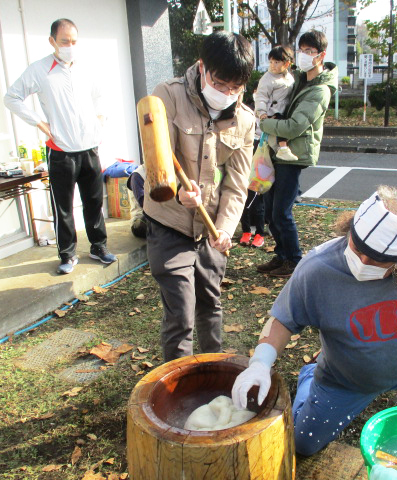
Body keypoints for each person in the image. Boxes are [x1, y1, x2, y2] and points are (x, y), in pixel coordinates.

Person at [233, 186, 397, 456]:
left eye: (379, 260)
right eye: (358, 247)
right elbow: (283, 319)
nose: (364, 261)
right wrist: (260, 363)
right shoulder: (318, 268)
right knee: (300, 445)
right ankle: (311, 377)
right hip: (345, 380)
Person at [142, 31, 255, 362]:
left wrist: (225, 228)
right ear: (203, 68)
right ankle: (180, 387)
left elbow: (236, 184)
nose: (227, 94)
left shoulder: (245, 119)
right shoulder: (168, 96)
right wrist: (179, 193)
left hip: (210, 228)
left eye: (235, 88)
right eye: (220, 84)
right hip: (169, 221)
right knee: (181, 312)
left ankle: (212, 372)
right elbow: (158, 163)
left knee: (210, 303)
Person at [4, 18, 116, 274]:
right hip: (61, 151)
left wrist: (100, 119)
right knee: (63, 207)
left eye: (74, 41)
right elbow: (11, 98)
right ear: (52, 41)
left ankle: (99, 247)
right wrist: (39, 124)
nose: (69, 46)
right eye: (64, 41)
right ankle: (67, 255)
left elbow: (101, 97)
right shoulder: (39, 70)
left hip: (89, 148)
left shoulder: (86, 67)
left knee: (94, 202)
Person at [256, 30, 337, 278]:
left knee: (282, 212)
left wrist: (263, 122)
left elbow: (294, 127)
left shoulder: (320, 90)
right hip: (278, 151)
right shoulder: (299, 78)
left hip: (294, 153)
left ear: (321, 56)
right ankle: (281, 254)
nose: (304, 55)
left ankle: (293, 259)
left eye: (310, 51)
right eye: (302, 50)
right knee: (270, 209)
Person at [254, 45, 296, 161]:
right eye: (271, 62)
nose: (272, 65)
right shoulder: (267, 78)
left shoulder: (289, 77)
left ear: (286, 64)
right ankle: (282, 150)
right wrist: (261, 112)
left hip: (282, 111)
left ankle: (281, 151)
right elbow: (261, 96)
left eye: (276, 62)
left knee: (277, 134)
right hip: (271, 113)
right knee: (277, 130)